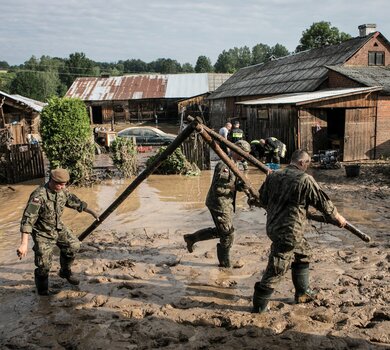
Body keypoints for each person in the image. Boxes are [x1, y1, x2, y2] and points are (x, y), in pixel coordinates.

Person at [251, 150, 346, 313]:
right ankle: (259, 306)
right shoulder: (305, 179)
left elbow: (263, 199)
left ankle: (302, 293)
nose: (307, 167)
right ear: (302, 163)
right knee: (277, 268)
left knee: (304, 252)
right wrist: (338, 218)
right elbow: (324, 204)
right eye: (307, 163)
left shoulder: (273, 176)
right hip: (289, 232)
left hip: (274, 227)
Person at [17, 168, 100, 296]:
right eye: (59, 184)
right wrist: (24, 244)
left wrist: (93, 213)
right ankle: (43, 292)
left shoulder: (63, 191)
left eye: (64, 184)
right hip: (42, 233)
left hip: (58, 228)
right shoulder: (38, 196)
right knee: (43, 265)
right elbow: (27, 220)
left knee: (74, 245)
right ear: (51, 180)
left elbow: (77, 203)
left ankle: (65, 271)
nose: (62, 187)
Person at [183, 140, 251, 268]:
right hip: (219, 204)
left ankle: (192, 238)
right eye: (244, 153)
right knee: (228, 234)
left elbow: (230, 184)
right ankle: (225, 264)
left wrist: (241, 187)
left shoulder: (235, 164)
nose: (245, 156)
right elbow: (218, 189)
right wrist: (237, 188)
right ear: (237, 151)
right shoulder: (224, 165)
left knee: (222, 231)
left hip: (226, 204)